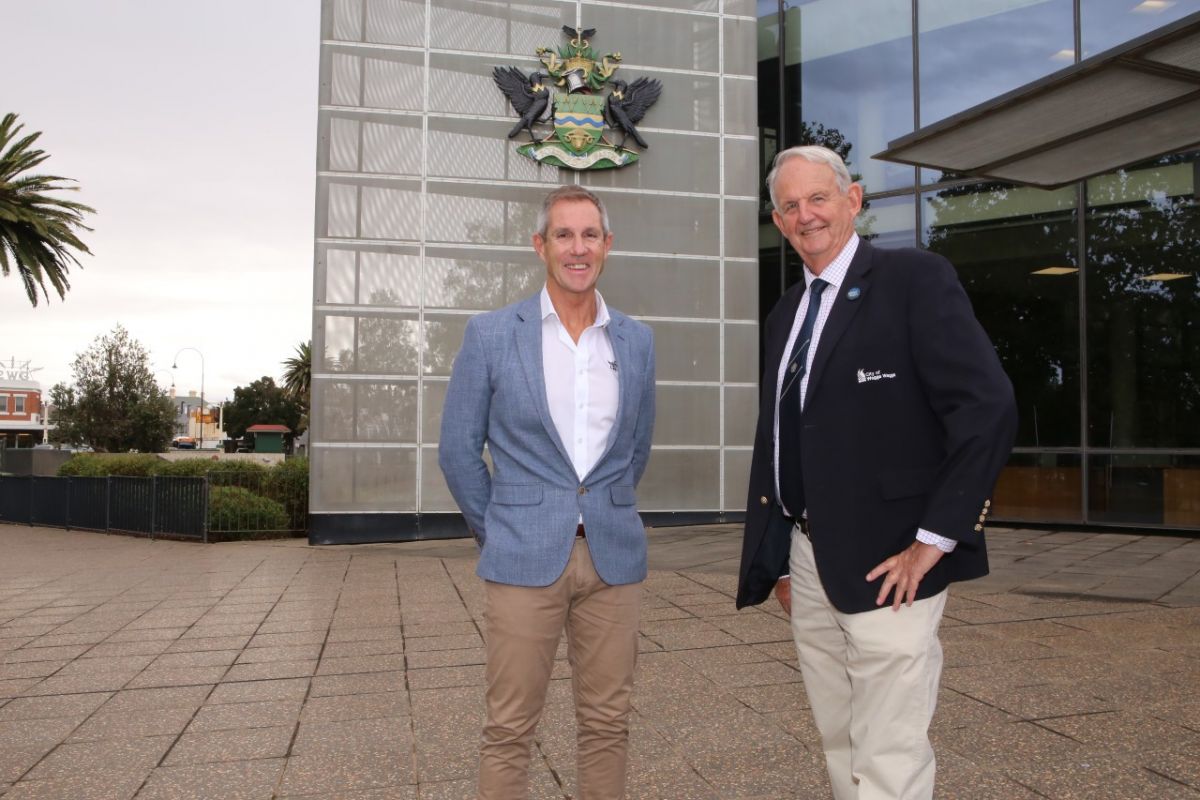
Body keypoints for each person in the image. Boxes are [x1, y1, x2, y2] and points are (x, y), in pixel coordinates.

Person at [737, 146, 1017, 800]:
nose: (806, 216)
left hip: (895, 558)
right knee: (840, 735)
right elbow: (780, 440)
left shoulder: (915, 279)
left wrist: (936, 539)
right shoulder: (786, 315)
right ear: (778, 223)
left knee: (889, 746)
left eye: (819, 198)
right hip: (809, 561)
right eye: (790, 206)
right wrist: (780, 560)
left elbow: (987, 406)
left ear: (853, 200)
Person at [439, 184, 656, 800]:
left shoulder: (637, 342)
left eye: (590, 234)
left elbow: (634, 450)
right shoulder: (490, 335)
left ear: (607, 246)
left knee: (608, 724)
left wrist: (600, 509)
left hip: (614, 560)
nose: (577, 248)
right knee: (509, 728)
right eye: (564, 234)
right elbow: (457, 451)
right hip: (521, 559)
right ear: (541, 245)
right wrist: (506, 525)